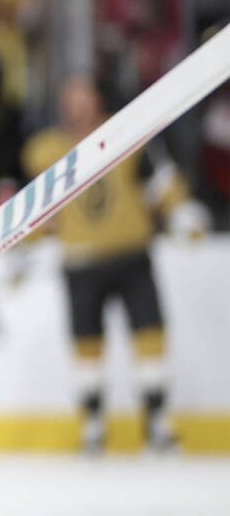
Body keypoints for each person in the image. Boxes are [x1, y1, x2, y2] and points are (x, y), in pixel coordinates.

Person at [22, 74, 208, 454]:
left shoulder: (127, 135)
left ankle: (157, 421)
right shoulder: (46, 150)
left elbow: (159, 181)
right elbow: (38, 210)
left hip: (131, 254)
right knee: (86, 343)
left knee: (149, 334)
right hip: (79, 261)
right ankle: (93, 423)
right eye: (68, 96)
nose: (75, 104)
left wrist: (180, 210)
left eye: (82, 94)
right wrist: (23, 243)